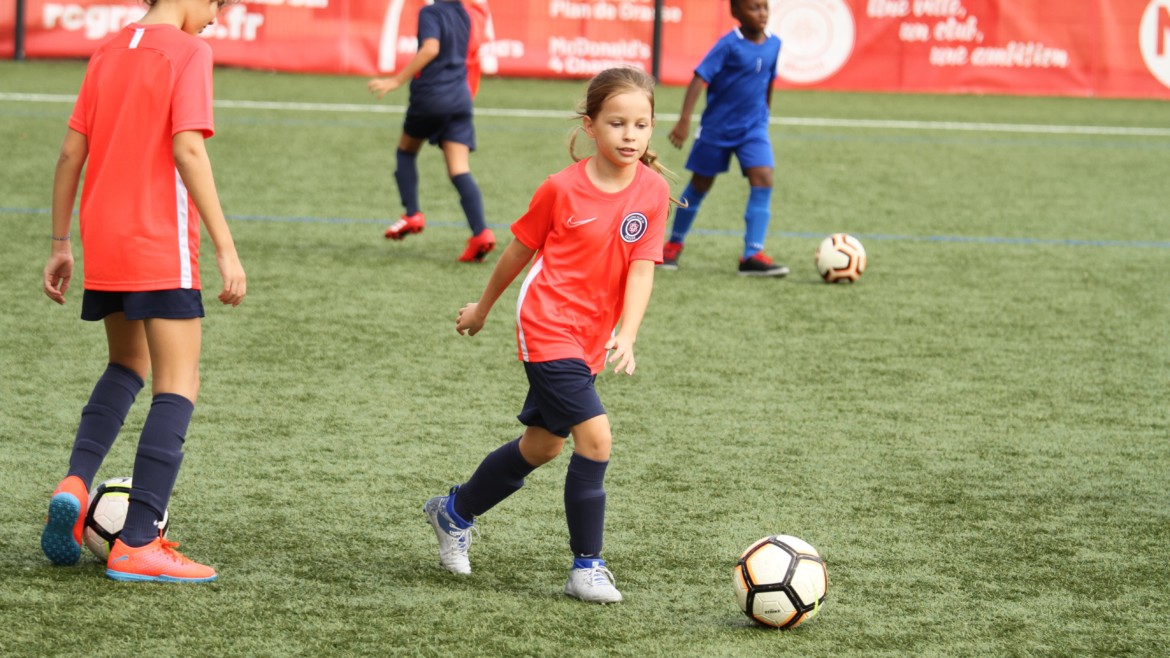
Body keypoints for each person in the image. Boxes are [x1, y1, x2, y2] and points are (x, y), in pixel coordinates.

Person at [424, 67, 672, 604]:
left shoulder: (652, 191)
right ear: (590, 125)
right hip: (546, 324)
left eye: (641, 124)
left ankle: (453, 512)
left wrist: (627, 333)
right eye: (617, 123)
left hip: (589, 337)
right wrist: (483, 308)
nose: (630, 135)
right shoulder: (561, 189)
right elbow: (518, 250)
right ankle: (587, 566)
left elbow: (643, 268)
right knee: (597, 438)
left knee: (542, 446)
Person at [40, 0, 246, 583]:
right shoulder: (189, 51)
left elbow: (69, 153)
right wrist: (227, 248)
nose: (216, 19)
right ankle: (139, 539)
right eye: (218, 6)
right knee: (179, 380)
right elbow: (188, 148)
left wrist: (59, 243)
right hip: (158, 241)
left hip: (102, 237)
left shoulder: (106, 50)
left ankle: (76, 483)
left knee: (126, 363)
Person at [661, 0, 789, 277]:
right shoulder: (728, 44)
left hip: (753, 129)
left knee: (764, 178)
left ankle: (752, 255)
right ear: (736, 13)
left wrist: (765, 114)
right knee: (700, 184)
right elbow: (699, 78)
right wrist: (684, 121)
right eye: (754, 8)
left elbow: (768, 81)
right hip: (717, 129)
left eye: (765, 7)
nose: (762, 13)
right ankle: (673, 245)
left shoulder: (774, 44)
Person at [368, 0, 495, 263]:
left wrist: (396, 80)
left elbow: (431, 48)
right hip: (460, 97)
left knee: (406, 151)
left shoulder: (430, 12)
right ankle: (481, 233)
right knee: (460, 170)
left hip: (431, 96)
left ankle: (412, 213)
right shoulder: (465, 14)